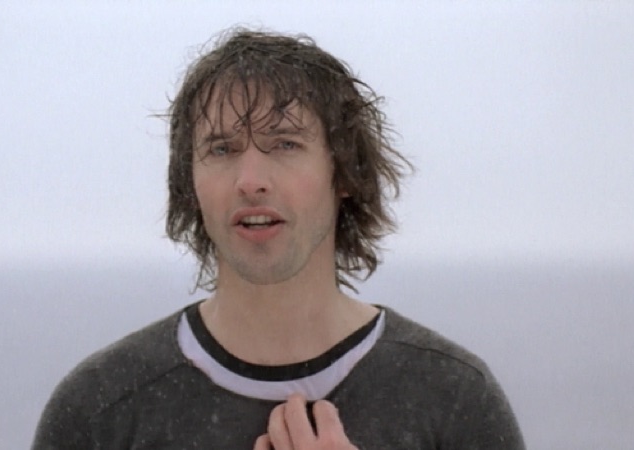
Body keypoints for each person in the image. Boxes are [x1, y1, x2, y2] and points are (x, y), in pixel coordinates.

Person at [32, 28, 525, 449]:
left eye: (285, 143)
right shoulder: (100, 409)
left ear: (344, 172)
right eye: (221, 149)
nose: (250, 181)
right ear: (190, 183)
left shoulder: (454, 399)